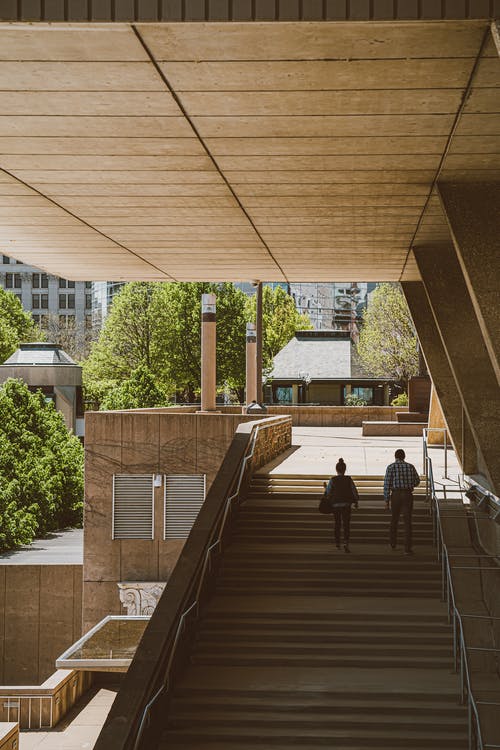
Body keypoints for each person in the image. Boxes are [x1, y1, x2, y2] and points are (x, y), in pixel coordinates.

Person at [384, 448, 420, 555]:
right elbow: (417, 481)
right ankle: (407, 548)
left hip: (395, 495)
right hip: (407, 494)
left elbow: (387, 484)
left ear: (395, 457)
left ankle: (393, 543)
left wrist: (386, 500)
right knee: (407, 521)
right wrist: (409, 485)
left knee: (394, 519)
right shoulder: (410, 466)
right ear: (404, 457)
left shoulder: (391, 467)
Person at [325, 458, 359, 553]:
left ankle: (337, 543)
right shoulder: (348, 479)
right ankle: (346, 543)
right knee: (346, 524)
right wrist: (356, 501)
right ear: (345, 469)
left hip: (335, 505)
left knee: (337, 524)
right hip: (346, 505)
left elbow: (328, 492)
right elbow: (354, 491)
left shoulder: (333, 479)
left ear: (336, 470)